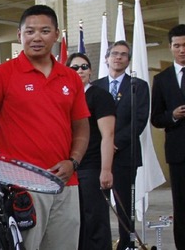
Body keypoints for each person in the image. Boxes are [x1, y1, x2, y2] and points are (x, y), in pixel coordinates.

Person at [0, 4, 90, 250]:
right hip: (20, 184)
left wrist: (73, 162)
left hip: (65, 183)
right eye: (30, 31)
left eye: (45, 31)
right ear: (19, 35)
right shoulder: (1, 74)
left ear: (56, 34)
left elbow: (81, 127)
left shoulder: (70, 78)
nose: (36, 37)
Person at [93, 40, 150, 250]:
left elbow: (139, 120)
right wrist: (102, 146)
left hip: (125, 155)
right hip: (96, 157)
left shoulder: (138, 86)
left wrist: (114, 144)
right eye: (115, 54)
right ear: (106, 58)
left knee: (125, 205)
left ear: (128, 60)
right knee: (98, 204)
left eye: (124, 54)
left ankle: (126, 244)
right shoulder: (95, 86)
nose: (119, 57)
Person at [66, 52, 116, 250]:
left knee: (95, 220)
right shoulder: (65, 96)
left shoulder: (100, 96)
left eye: (84, 67)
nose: (80, 71)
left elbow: (108, 135)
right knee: (75, 223)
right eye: (74, 67)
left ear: (91, 70)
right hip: (69, 169)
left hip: (92, 167)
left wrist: (106, 170)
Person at [151, 24, 185, 250]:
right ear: (171, 47)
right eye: (177, 46)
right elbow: (156, 118)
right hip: (178, 152)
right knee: (181, 207)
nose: (182, 50)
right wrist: (171, 116)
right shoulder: (162, 80)